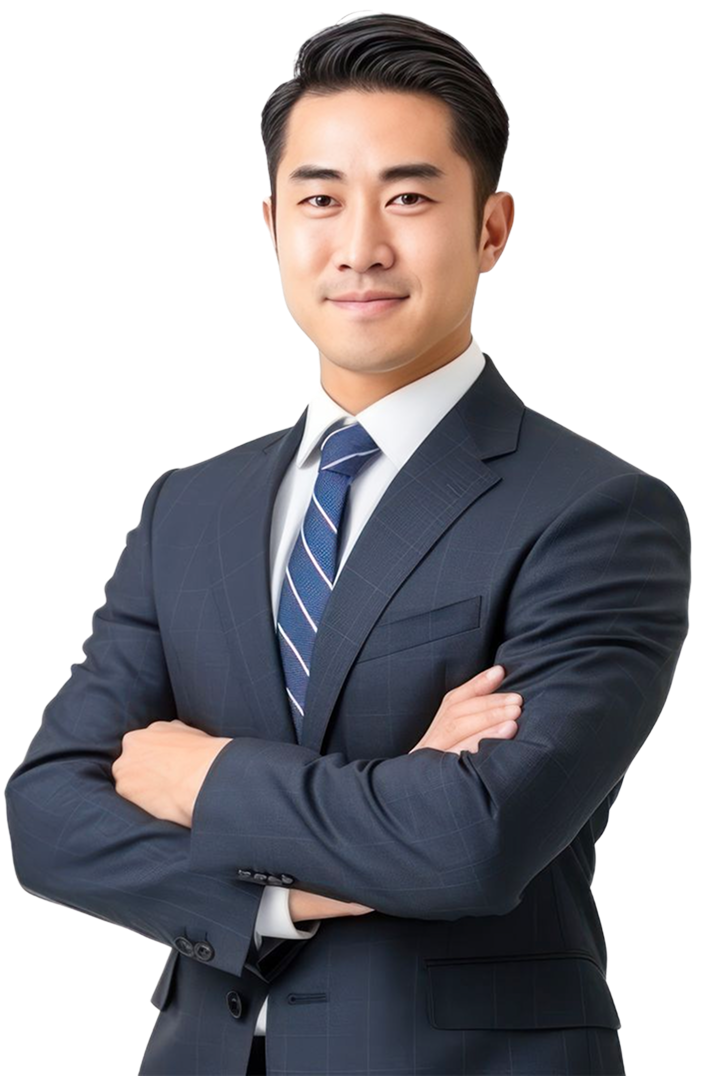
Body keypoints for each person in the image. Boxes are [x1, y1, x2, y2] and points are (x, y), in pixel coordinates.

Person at [3, 10, 691, 1076]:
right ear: (273, 223)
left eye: (409, 198)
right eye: (320, 199)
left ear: (493, 227)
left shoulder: (598, 512)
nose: (360, 246)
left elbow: (469, 844)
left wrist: (200, 773)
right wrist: (304, 880)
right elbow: (48, 816)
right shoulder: (191, 505)